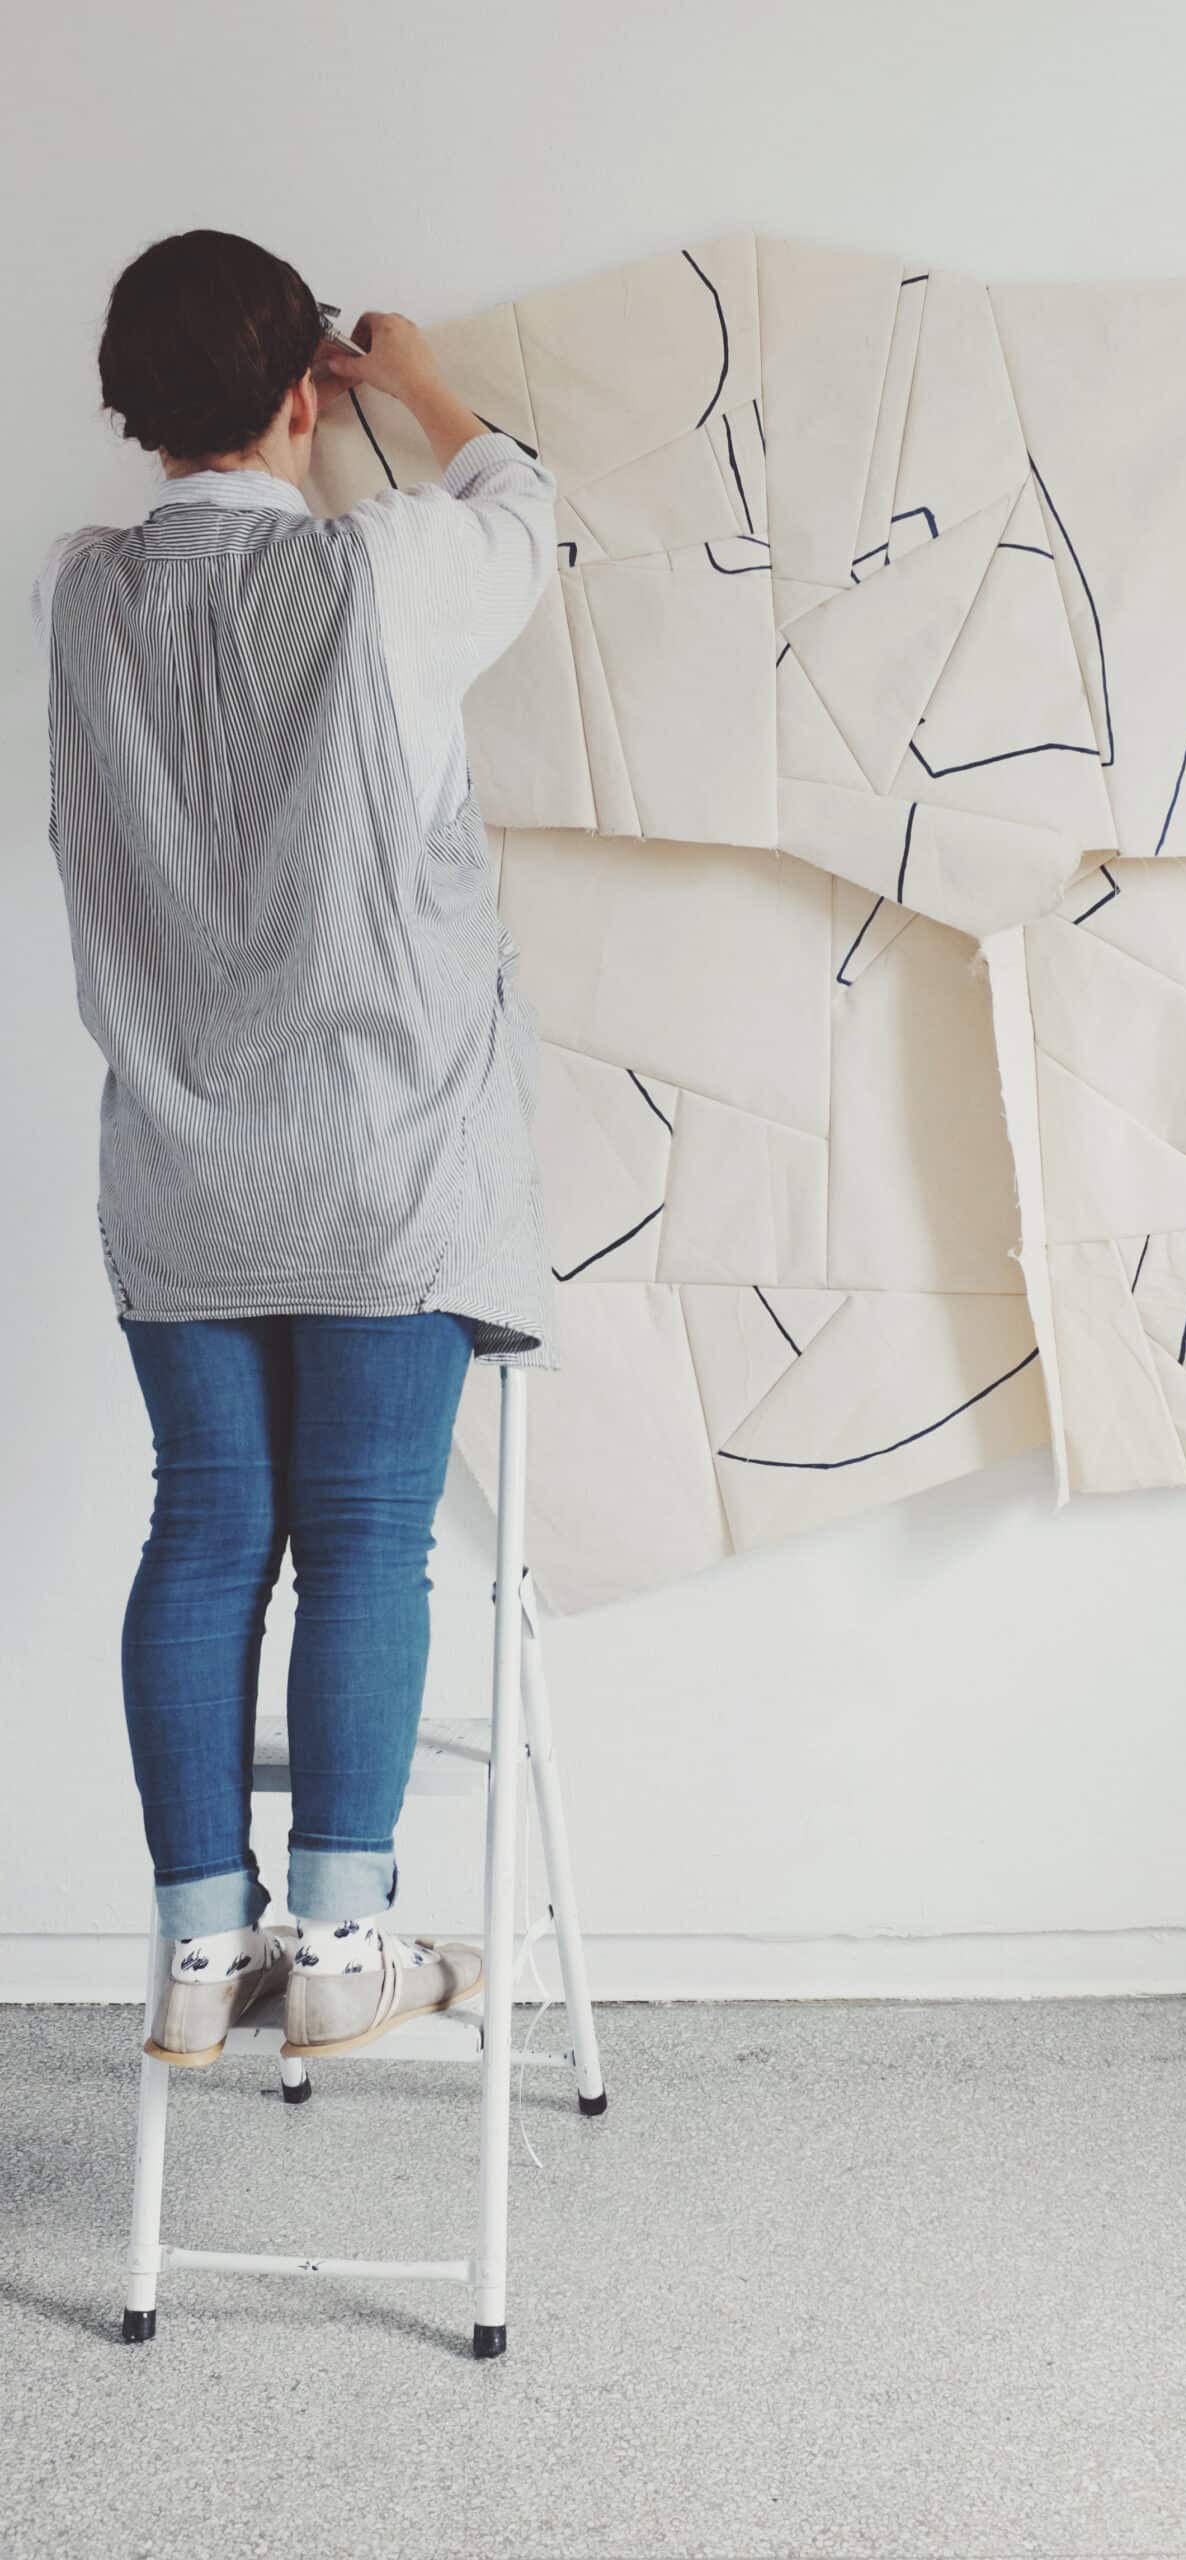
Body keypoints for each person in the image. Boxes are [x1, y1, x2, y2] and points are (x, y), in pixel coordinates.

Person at [33, 229, 559, 2067]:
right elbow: (527, 508)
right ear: (292, 390)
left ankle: (201, 1952)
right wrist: (409, 384)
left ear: (131, 406)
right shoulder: (385, 572)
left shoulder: (82, 597)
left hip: (178, 1167)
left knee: (203, 1535)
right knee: (363, 1542)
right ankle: (343, 1941)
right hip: (378, 1163)